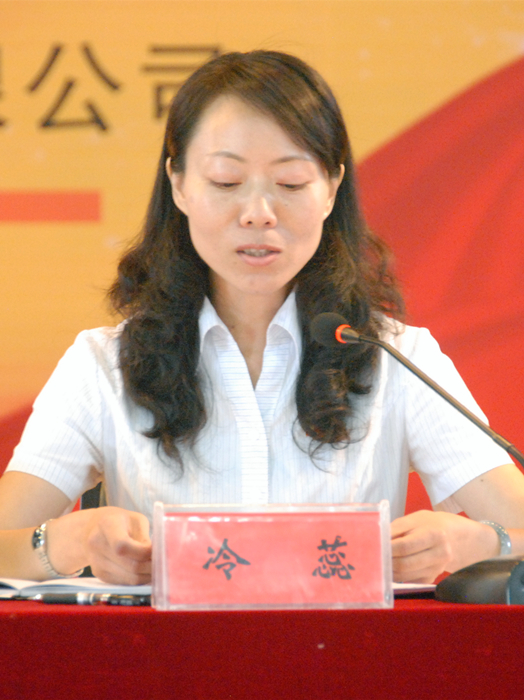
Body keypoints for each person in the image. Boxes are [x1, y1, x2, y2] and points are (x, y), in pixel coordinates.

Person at [1, 50, 523, 586]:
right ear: (178, 185)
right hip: (166, 644)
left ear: (331, 189)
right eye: (226, 182)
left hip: (344, 643)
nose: (258, 214)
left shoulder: (397, 359)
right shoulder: (102, 365)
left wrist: (480, 543)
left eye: (290, 184)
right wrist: (70, 541)